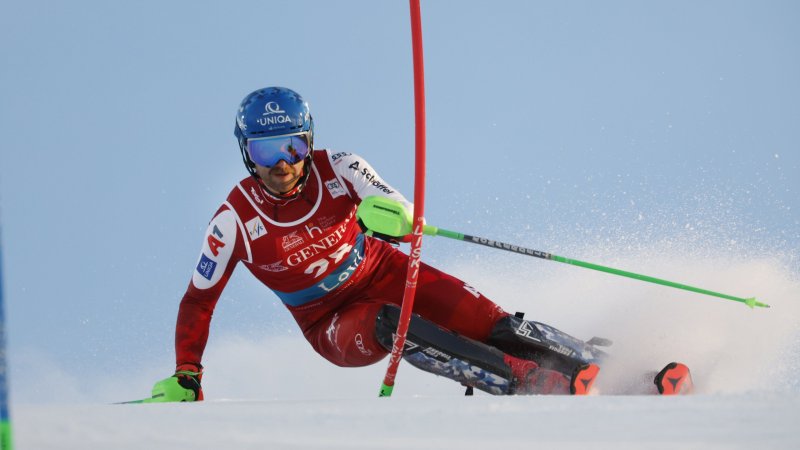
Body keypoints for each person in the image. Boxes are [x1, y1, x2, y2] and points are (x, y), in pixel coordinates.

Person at [149, 87, 606, 402]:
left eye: (292, 148)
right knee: (393, 322)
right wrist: (187, 372)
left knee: (490, 323)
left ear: (308, 141)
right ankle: (525, 381)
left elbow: (399, 209)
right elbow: (198, 301)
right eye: (265, 151)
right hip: (331, 321)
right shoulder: (233, 221)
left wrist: (394, 218)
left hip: (385, 270)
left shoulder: (340, 165)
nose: (281, 165)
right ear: (246, 153)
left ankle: (601, 364)